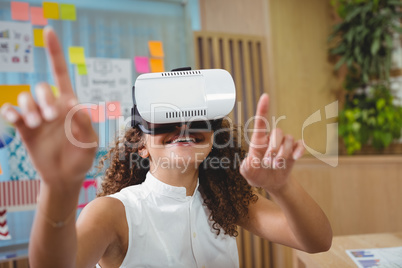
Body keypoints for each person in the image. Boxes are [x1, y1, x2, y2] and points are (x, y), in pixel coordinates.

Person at [0, 28, 332, 268]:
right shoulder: (115, 213)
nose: (183, 128)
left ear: (214, 137)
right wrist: (58, 188)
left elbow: (317, 242)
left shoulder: (227, 201)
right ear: (141, 145)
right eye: (165, 120)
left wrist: (283, 187)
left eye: (197, 119)